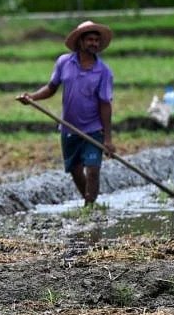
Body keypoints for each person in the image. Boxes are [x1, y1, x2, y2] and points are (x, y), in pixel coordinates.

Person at [18, 20, 116, 206]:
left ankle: (90, 206)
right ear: (80, 42)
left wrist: (108, 139)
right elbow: (51, 88)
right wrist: (32, 97)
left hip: (93, 128)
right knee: (75, 170)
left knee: (93, 169)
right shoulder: (64, 62)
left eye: (96, 40)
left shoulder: (104, 72)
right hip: (69, 127)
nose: (94, 43)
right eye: (90, 40)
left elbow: (105, 104)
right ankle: (89, 200)